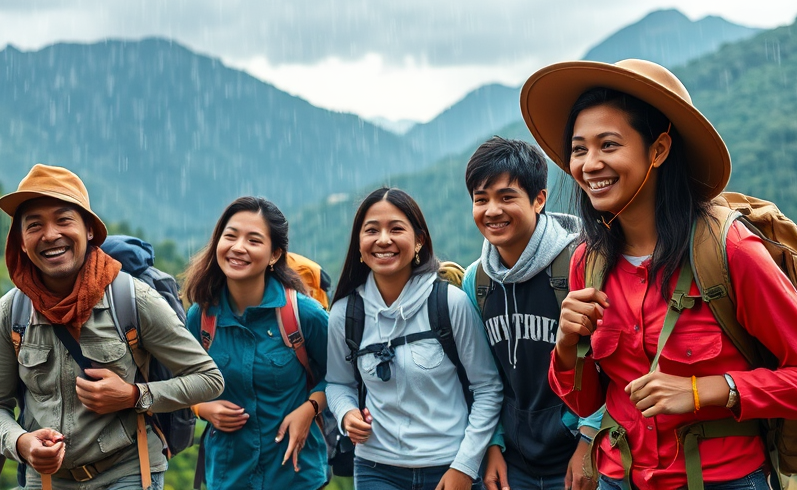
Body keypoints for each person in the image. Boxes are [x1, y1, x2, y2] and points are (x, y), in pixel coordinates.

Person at [518, 59, 797, 489]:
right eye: (579, 149)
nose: (589, 164)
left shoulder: (729, 251)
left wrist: (706, 390)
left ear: (658, 150)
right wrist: (567, 345)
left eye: (608, 145)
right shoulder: (589, 260)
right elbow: (587, 398)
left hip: (723, 480)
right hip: (618, 478)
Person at [0, 164, 225, 490]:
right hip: (46, 480)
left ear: (90, 230)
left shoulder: (132, 298)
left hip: (129, 473)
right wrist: (22, 443)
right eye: (34, 225)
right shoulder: (13, 311)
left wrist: (135, 396)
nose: (50, 235)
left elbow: (209, 380)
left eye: (64, 220)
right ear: (21, 242)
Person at [326, 187, 503, 490]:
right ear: (359, 244)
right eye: (371, 231)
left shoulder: (449, 303)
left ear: (420, 240)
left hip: (450, 464)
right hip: (376, 469)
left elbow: (487, 388)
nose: (383, 240)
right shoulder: (346, 314)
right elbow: (339, 383)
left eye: (396, 229)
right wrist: (346, 415)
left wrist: (465, 466)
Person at [460, 136, 602, 490]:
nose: (492, 210)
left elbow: (608, 362)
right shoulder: (475, 280)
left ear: (539, 199)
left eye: (507, 197)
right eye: (481, 199)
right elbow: (486, 376)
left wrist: (589, 439)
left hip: (577, 450)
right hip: (515, 462)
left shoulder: (577, 262)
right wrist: (493, 443)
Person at [184, 196, 329, 490]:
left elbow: (342, 376)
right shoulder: (201, 317)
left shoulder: (303, 315)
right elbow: (183, 381)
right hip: (228, 475)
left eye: (253, 240)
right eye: (231, 236)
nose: (238, 247)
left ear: (274, 254)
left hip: (294, 475)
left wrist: (310, 409)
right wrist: (202, 409)